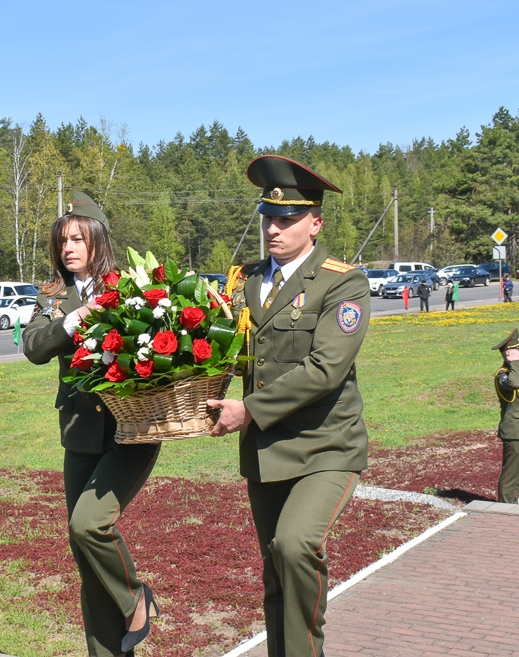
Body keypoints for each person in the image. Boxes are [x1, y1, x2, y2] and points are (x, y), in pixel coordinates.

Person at [207, 155, 369, 657]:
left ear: (315, 223)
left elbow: (326, 368)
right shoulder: (247, 281)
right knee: (274, 569)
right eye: (268, 217)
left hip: (326, 446)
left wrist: (248, 409)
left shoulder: (344, 282)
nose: (273, 228)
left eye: (287, 219)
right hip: (266, 452)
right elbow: (231, 355)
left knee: (295, 546)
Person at [23, 191, 160, 657]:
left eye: (78, 239)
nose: (69, 249)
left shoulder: (130, 288)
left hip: (130, 433)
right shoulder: (53, 297)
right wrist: (75, 317)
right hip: (80, 436)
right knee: (87, 561)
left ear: (98, 240)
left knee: (88, 526)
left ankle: (137, 596)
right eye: (62, 241)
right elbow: (35, 347)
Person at [491, 329, 519, 504]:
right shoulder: (503, 375)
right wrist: (515, 363)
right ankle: (506, 504)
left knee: (517, 470)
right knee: (511, 471)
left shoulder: (515, 372)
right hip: (514, 430)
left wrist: (516, 365)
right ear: (509, 353)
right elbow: (513, 383)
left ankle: (511, 501)